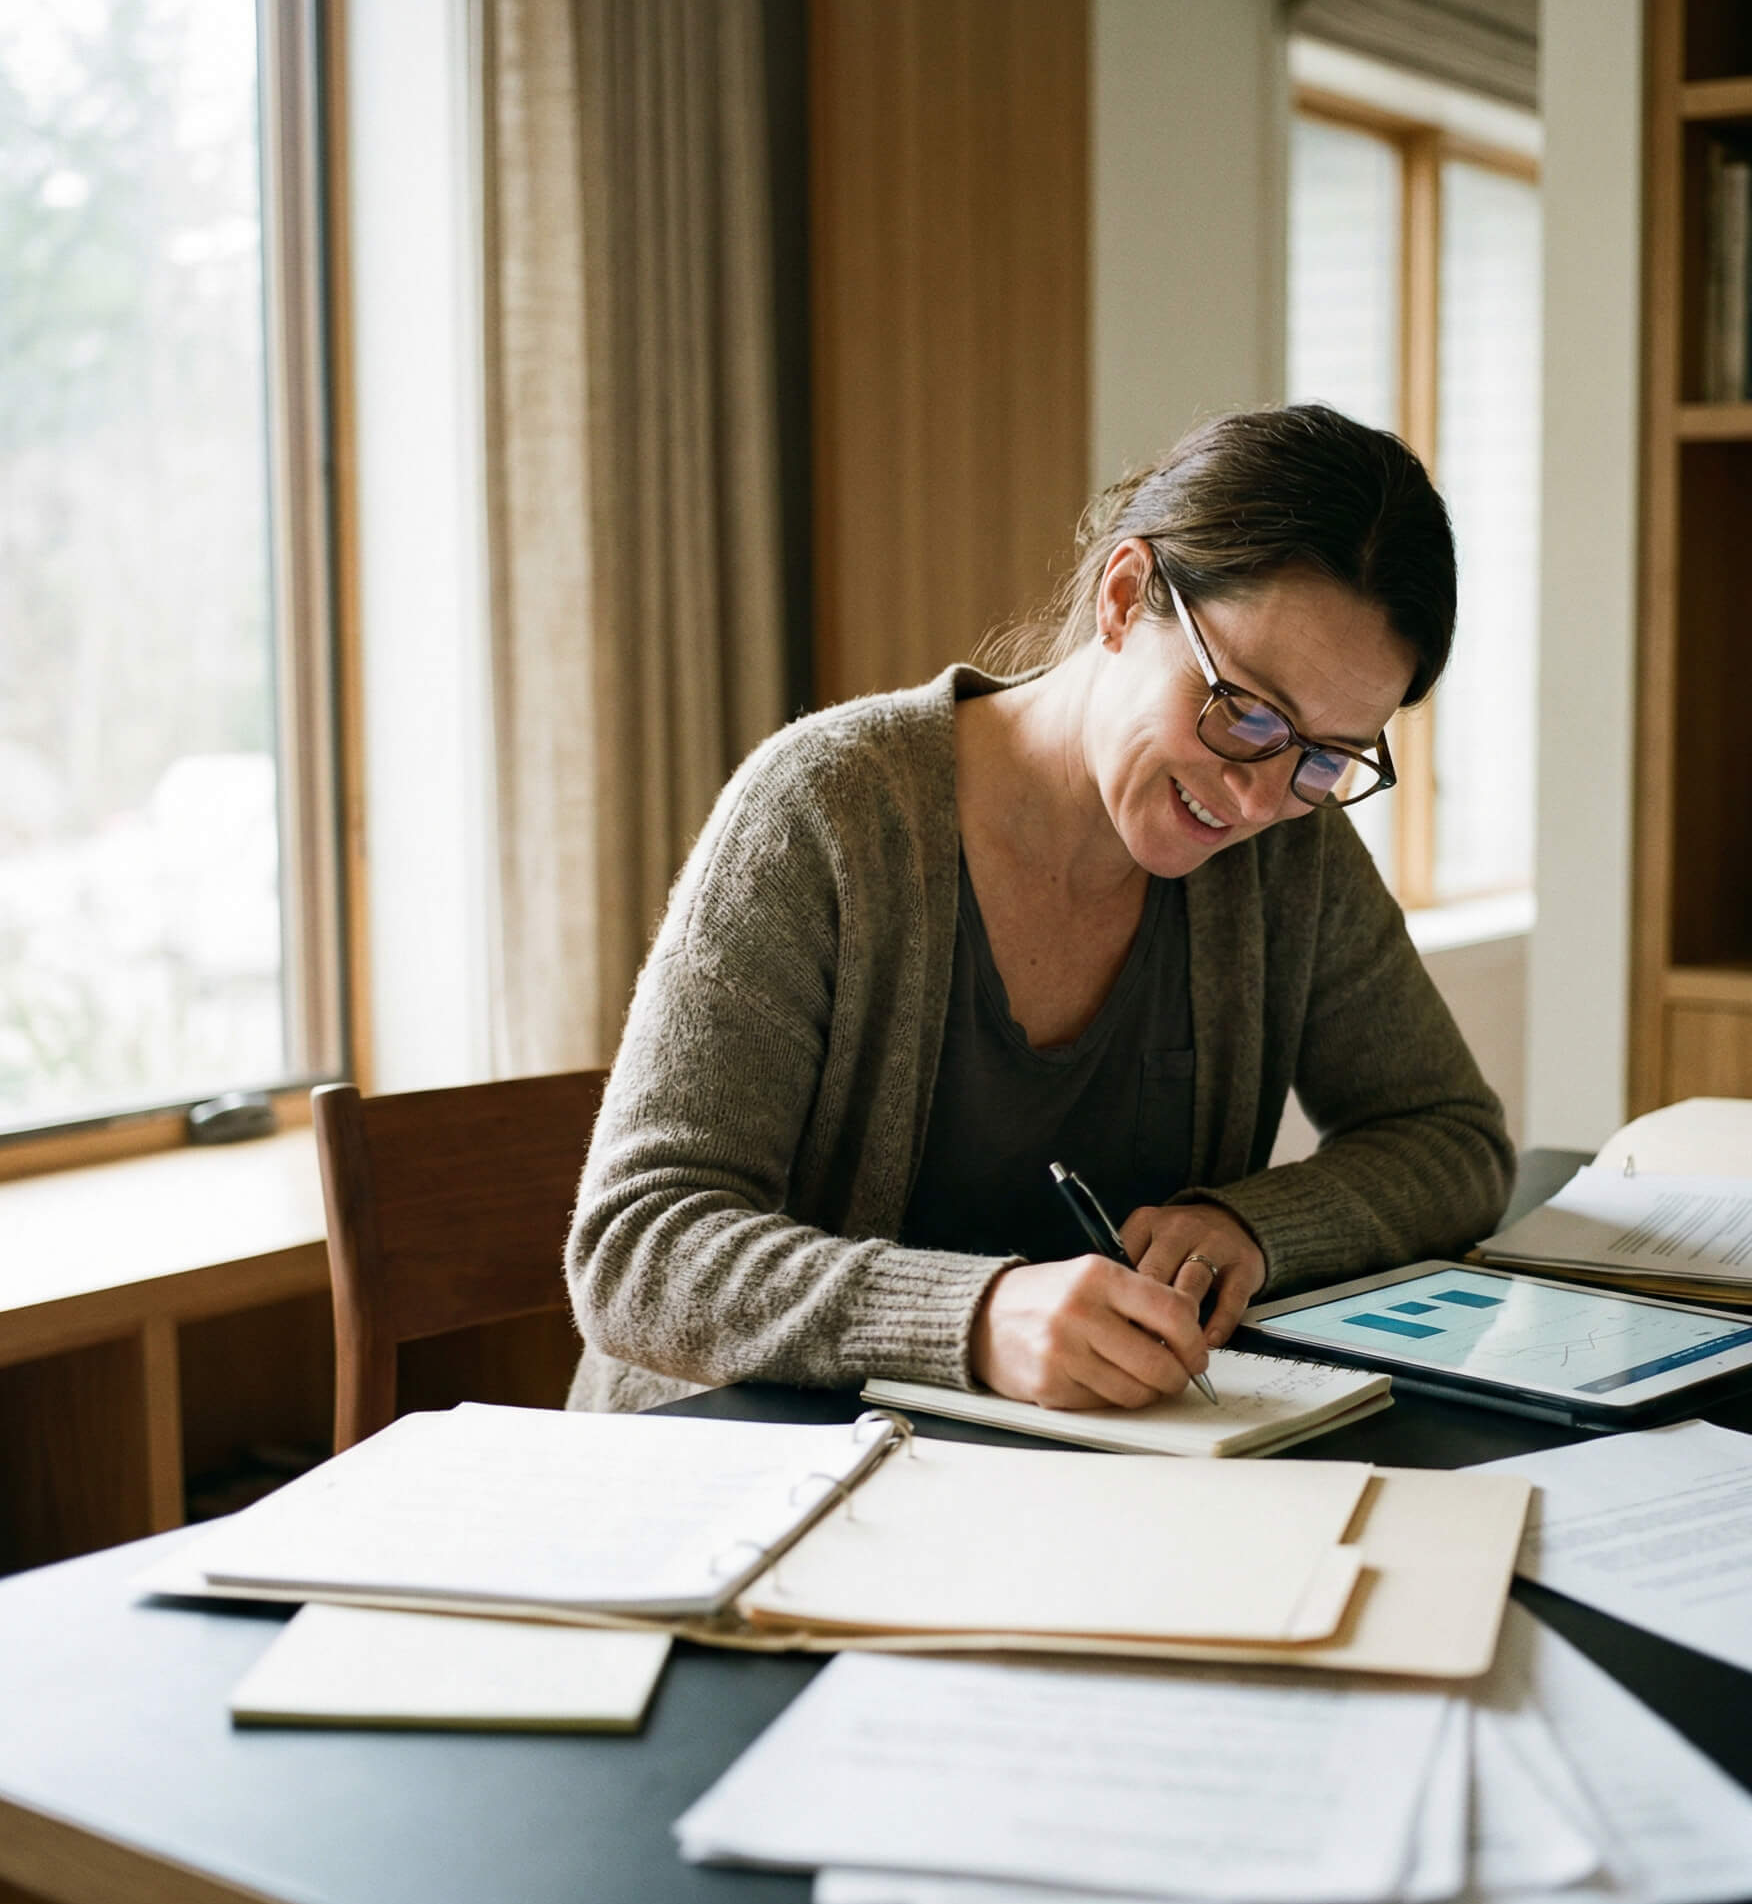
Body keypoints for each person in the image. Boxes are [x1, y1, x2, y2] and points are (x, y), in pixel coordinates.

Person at [565, 405, 1513, 1415]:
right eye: (1240, 709)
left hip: (1063, 1482)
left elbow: (1450, 1138)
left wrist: (1252, 1225)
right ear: (1122, 595)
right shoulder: (827, 810)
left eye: (1325, 754)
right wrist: (972, 1317)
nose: (1254, 798)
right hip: (735, 1477)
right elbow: (638, 1248)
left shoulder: (1292, 852)